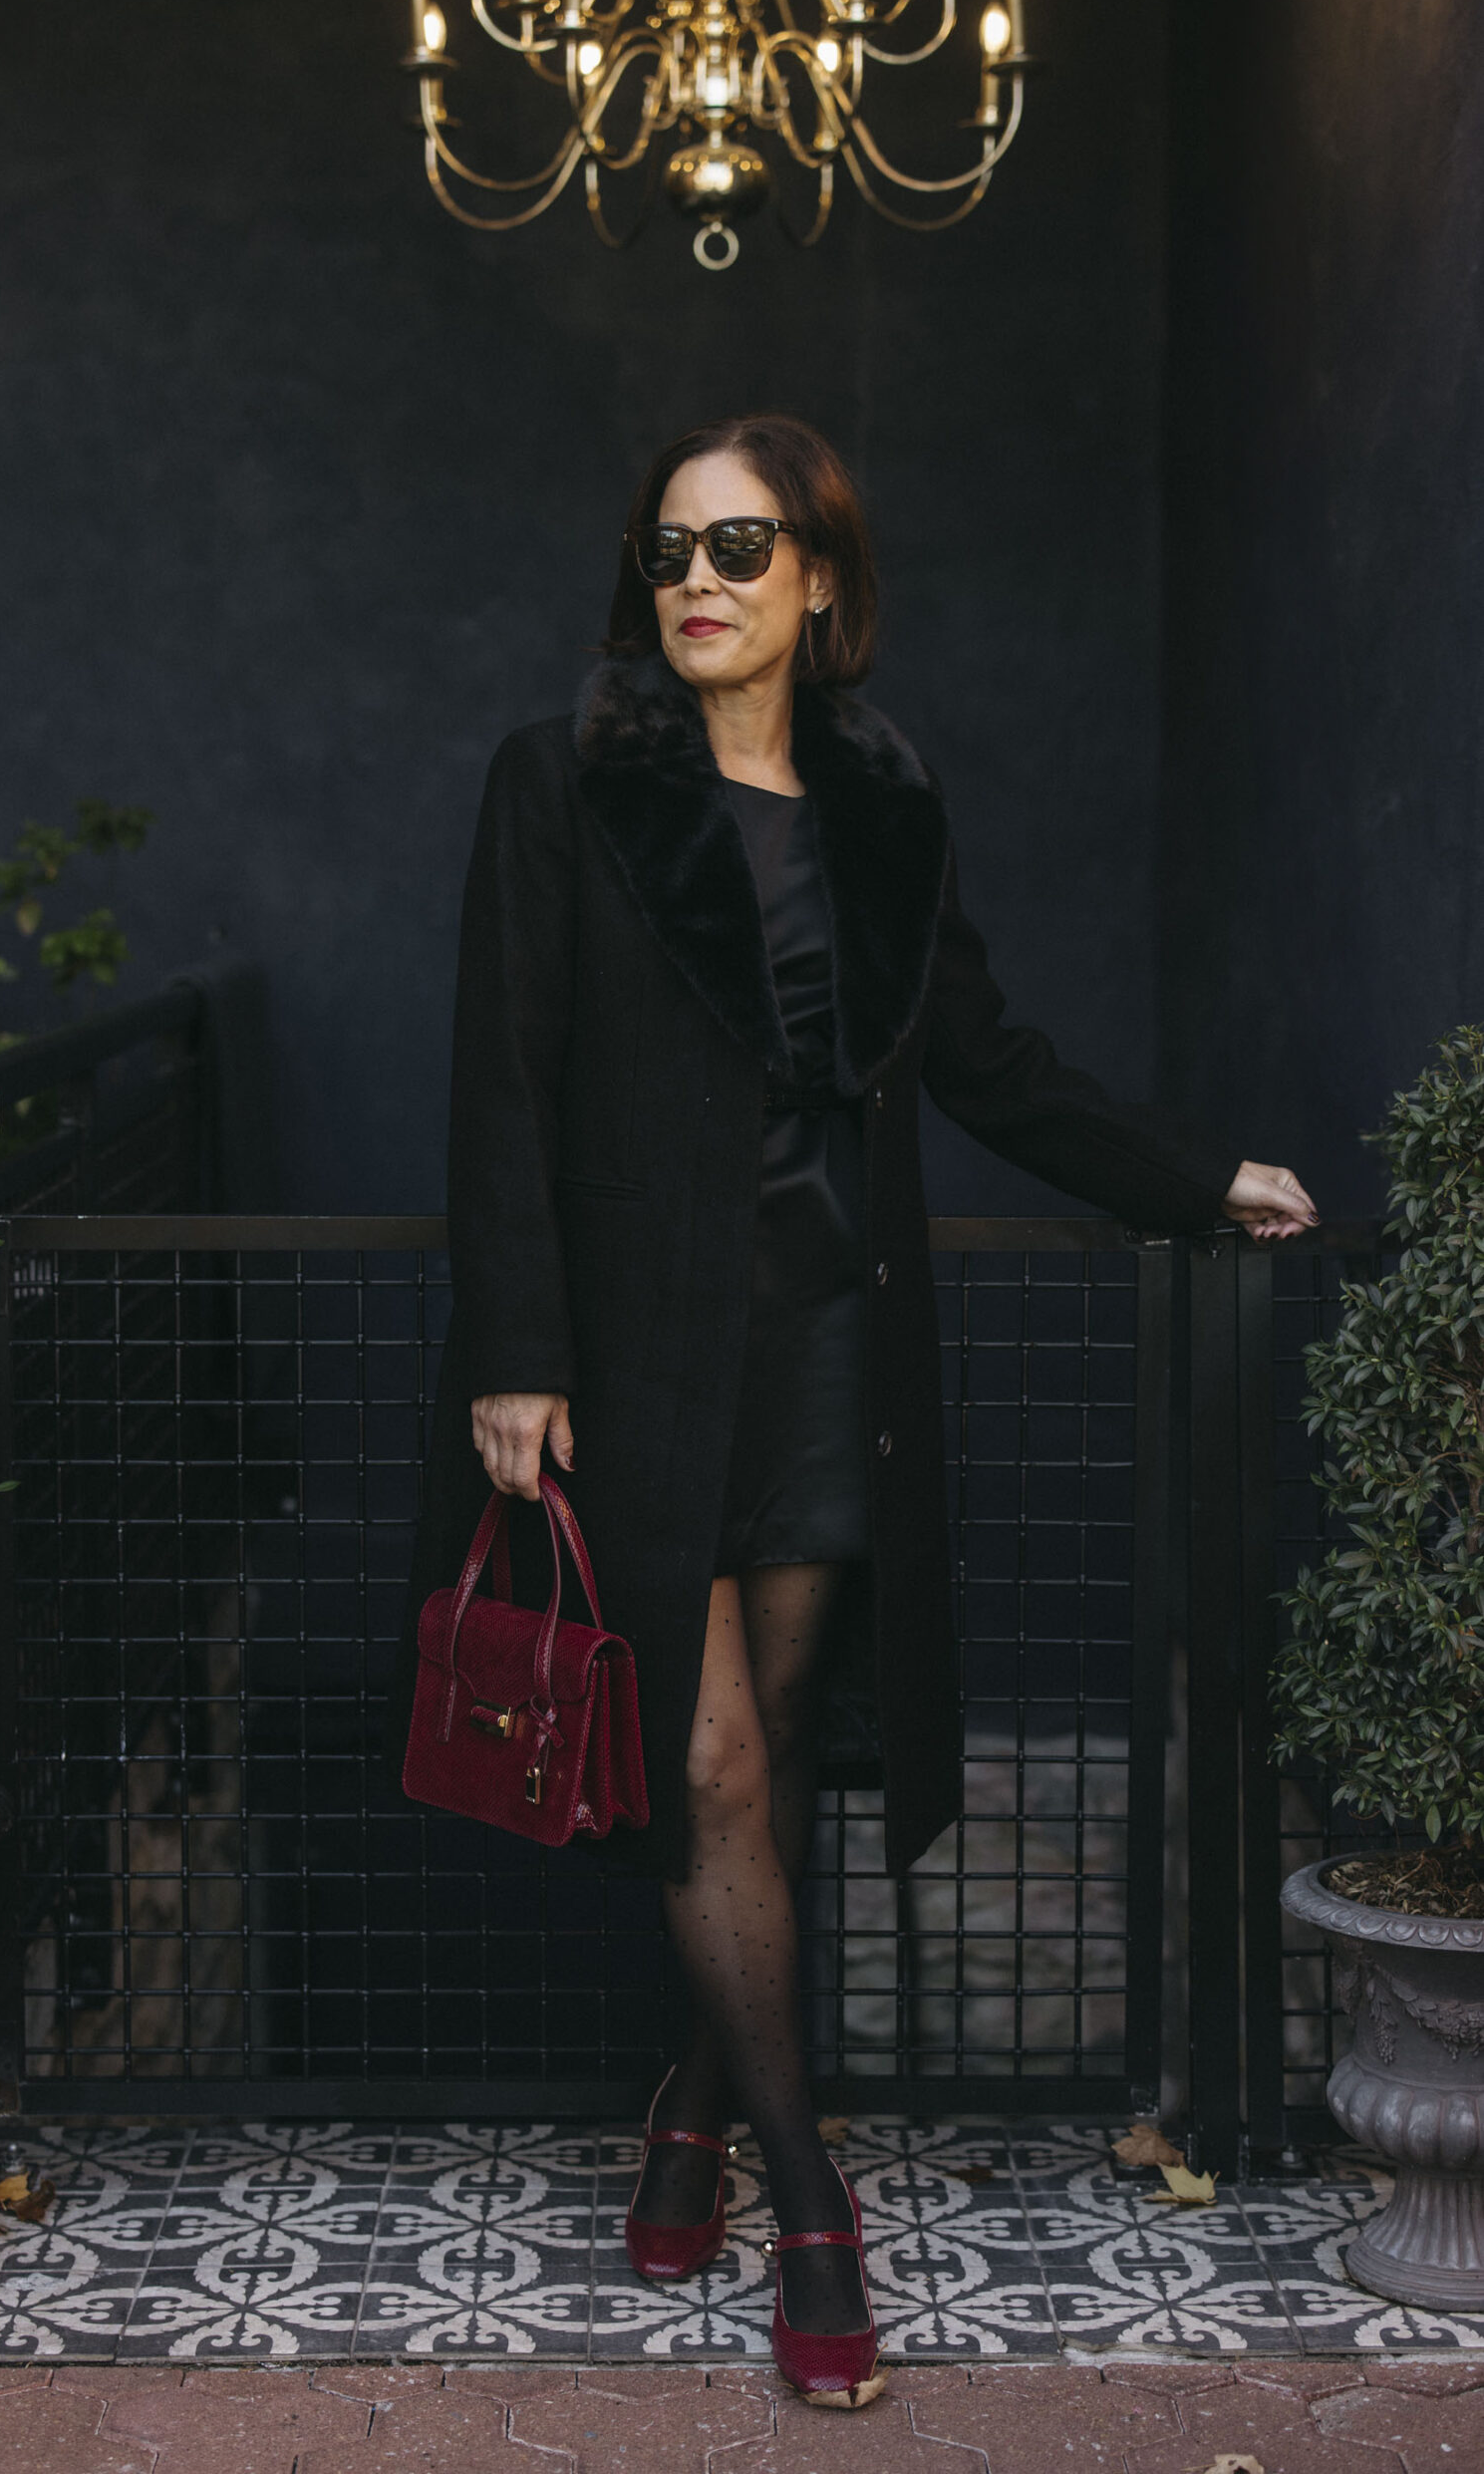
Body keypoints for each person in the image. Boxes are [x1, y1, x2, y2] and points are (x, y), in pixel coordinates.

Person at [390, 414, 1317, 2406]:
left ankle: (688, 2114)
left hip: (824, 1339)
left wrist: (1187, 1176)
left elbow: (980, 1052)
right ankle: (812, 2203)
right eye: (666, 549)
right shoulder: (557, 783)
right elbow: (503, 1077)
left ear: (819, 579)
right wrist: (513, 1351)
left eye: (740, 544)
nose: (697, 579)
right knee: (709, 1763)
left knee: (781, 1743)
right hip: (636, 1357)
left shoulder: (881, 808)